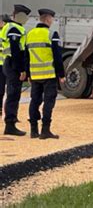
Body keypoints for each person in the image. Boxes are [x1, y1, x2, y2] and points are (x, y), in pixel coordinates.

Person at [25, 8, 65, 139]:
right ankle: (45, 130)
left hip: (35, 75)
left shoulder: (30, 34)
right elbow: (58, 57)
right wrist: (61, 74)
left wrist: (29, 74)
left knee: (34, 101)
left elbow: (26, 56)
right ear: (48, 19)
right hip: (49, 75)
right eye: (52, 19)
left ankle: (33, 130)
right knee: (48, 102)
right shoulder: (52, 34)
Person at [2, 4, 31, 136]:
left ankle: (11, 121)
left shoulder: (13, 27)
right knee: (13, 95)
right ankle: (10, 124)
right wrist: (21, 70)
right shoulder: (14, 28)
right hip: (13, 64)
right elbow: (15, 51)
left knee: (13, 94)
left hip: (9, 63)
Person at [0, 14, 11, 117]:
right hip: (4, 64)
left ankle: (6, 113)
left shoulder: (4, 33)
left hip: (4, 64)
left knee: (4, 91)